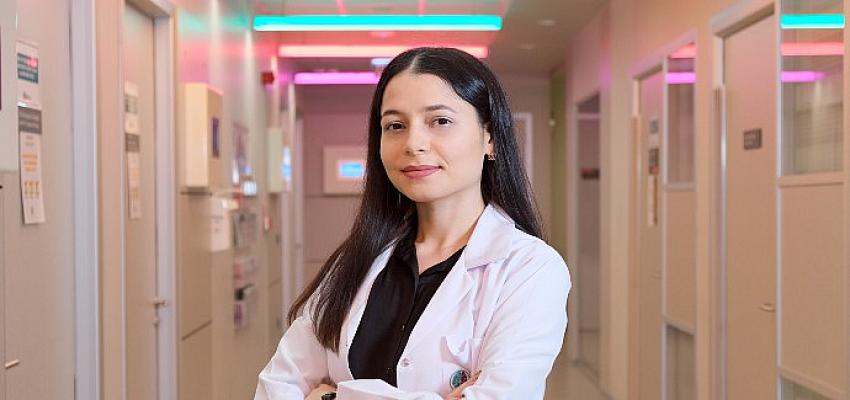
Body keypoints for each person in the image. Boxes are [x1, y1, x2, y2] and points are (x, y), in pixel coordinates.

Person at [254, 47, 571, 400]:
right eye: (395, 126)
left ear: (490, 138)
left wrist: (332, 397)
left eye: (440, 121)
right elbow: (276, 386)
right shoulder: (356, 261)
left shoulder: (530, 268)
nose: (413, 143)